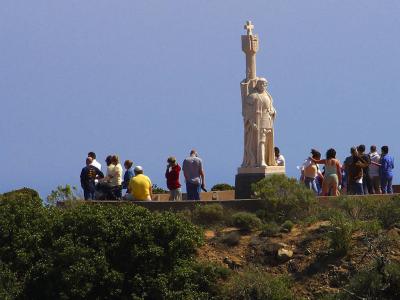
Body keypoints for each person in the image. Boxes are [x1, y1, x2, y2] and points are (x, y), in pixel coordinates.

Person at [241, 78, 277, 167]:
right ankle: (261, 161)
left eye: (265, 84)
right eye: (262, 84)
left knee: (267, 142)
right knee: (261, 141)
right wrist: (251, 122)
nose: (263, 86)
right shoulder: (253, 96)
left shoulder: (268, 96)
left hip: (268, 121)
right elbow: (247, 111)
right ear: (258, 84)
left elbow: (271, 108)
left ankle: (267, 160)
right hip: (258, 121)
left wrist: (273, 112)